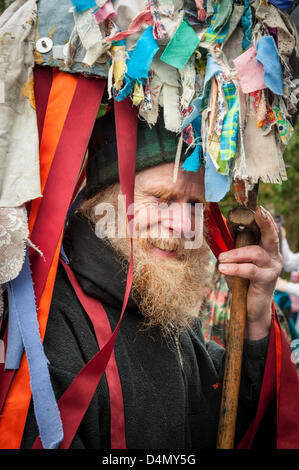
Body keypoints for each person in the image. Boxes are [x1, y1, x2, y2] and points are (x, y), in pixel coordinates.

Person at [20, 111, 284, 449]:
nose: (183, 225)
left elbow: (231, 428)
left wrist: (255, 319)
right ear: (101, 202)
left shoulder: (161, 304)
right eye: (160, 199)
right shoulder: (52, 324)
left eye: (194, 204)